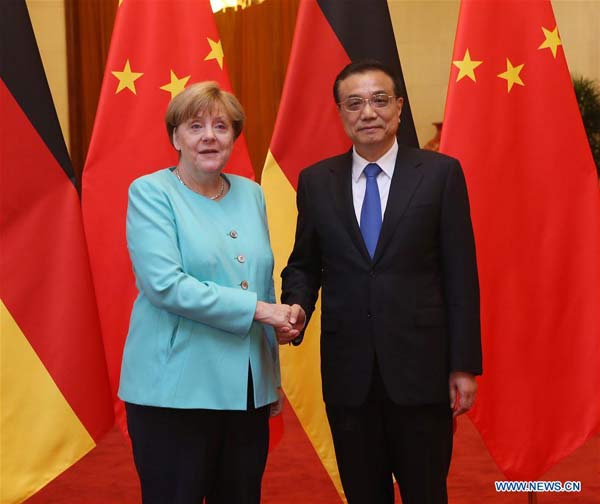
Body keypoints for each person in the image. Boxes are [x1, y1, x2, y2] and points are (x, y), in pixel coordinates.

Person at [277, 60, 482, 504]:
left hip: (421, 371)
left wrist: (463, 364)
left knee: (426, 491)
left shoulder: (440, 174)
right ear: (340, 113)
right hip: (349, 375)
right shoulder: (316, 181)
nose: (367, 112)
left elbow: (461, 275)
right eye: (354, 103)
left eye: (379, 100)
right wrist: (296, 304)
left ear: (399, 107)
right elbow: (305, 263)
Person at [118, 81, 298, 504]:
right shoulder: (150, 192)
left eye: (221, 126)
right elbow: (164, 284)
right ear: (175, 137)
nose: (209, 136)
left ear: (234, 137)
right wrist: (261, 311)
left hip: (247, 391)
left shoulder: (251, 194)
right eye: (195, 126)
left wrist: (270, 375)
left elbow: (261, 281)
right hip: (174, 391)